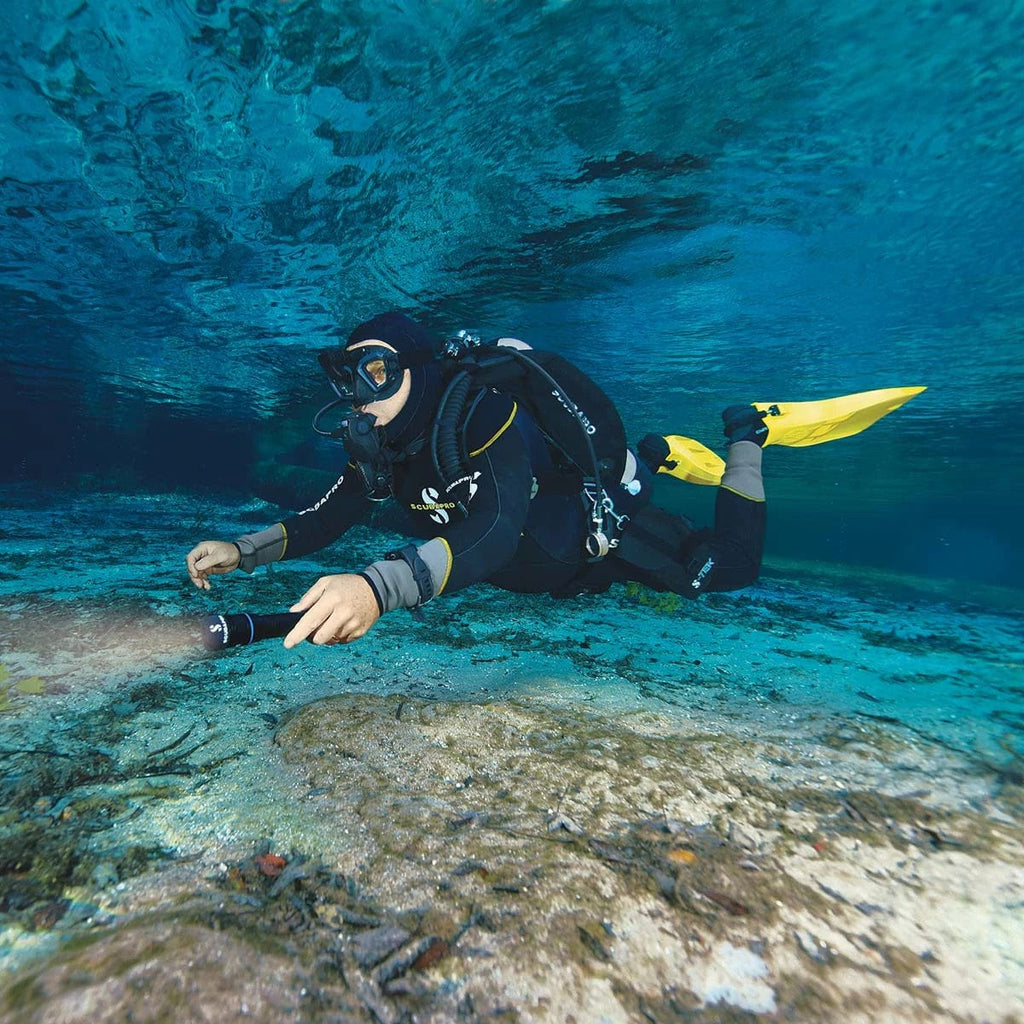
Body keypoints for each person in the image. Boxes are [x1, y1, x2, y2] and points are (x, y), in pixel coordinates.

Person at [186, 312, 767, 648]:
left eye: (379, 372)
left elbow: (497, 528)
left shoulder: (482, 415)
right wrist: (243, 551)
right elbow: (327, 515)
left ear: (419, 370)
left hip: (600, 547)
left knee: (730, 568)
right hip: (550, 577)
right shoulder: (388, 447)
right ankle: (657, 452)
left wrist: (377, 588)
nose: (363, 397)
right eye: (353, 379)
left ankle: (748, 436)